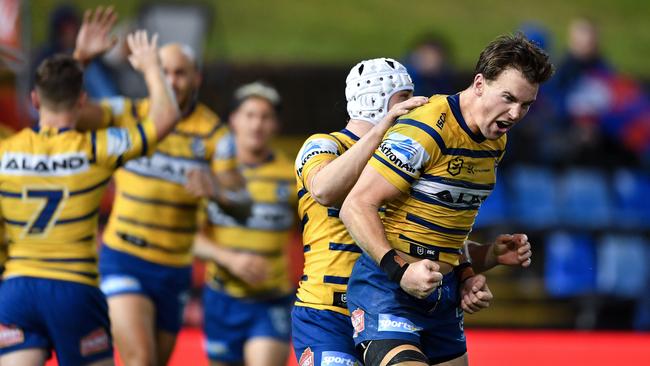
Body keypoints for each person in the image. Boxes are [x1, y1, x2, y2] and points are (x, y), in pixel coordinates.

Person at [291, 58, 526, 366]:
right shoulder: (324, 145)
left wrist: (484, 258)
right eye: (404, 97)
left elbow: (423, 242)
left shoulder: (406, 151)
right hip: (328, 309)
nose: (415, 105)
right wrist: (380, 132)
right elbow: (323, 190)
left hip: (391, 294)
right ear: (374, 99)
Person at [339, 33, 553, 366]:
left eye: (526, 104)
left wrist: (474, 268)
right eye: (508, 98)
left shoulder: (495, 141)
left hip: (442, 298)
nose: (514, 113)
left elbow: (445, 233)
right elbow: (356, 205)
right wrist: (400, 272)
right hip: (386, 293)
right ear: (480, 83)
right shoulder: (427, 128)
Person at [71, 7, 248, 366]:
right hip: (124, 259)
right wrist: (81, 61)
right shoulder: (129, 113)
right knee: (140, 359)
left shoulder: (214, 134)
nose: (170, 81)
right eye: (163, 72)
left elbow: (243, 202)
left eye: (179, 73)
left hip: (174, 270)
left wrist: (215, 187)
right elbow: (68, 114)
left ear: (196, 78)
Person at [0, 29, 179, 366]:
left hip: (17, 289)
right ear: (82, 101)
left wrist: (78, 59)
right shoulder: (96, 149)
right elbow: (164, 119)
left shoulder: (6, 152)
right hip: (74, 288)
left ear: (35, 101)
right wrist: (152, 67)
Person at [192, 82, 296, 366]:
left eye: (265, 116)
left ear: (276, 124)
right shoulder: (210, 175)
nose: (257, 124)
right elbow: (187, 237)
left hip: (271, 299)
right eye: (249, 115)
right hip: (221, 298)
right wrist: (231, 258)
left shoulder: (291, 175)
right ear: (233, 120)